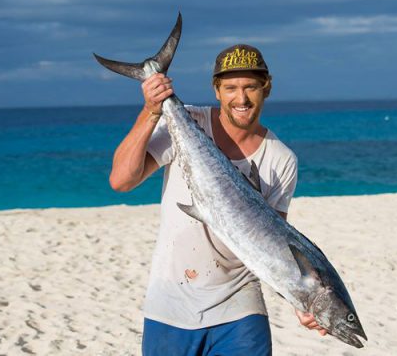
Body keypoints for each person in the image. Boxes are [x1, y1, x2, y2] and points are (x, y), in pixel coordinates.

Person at [109, 44, 327, 355]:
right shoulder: (184, 121)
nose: (241, 98)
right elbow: (121, 180)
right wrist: (151, 110)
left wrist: (302, 301)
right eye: (231, 88)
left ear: (267, 88)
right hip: (170, 302)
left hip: (239, 308)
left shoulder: (282, 159)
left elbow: (274, 246)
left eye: (251, 87)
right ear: (216, 90)